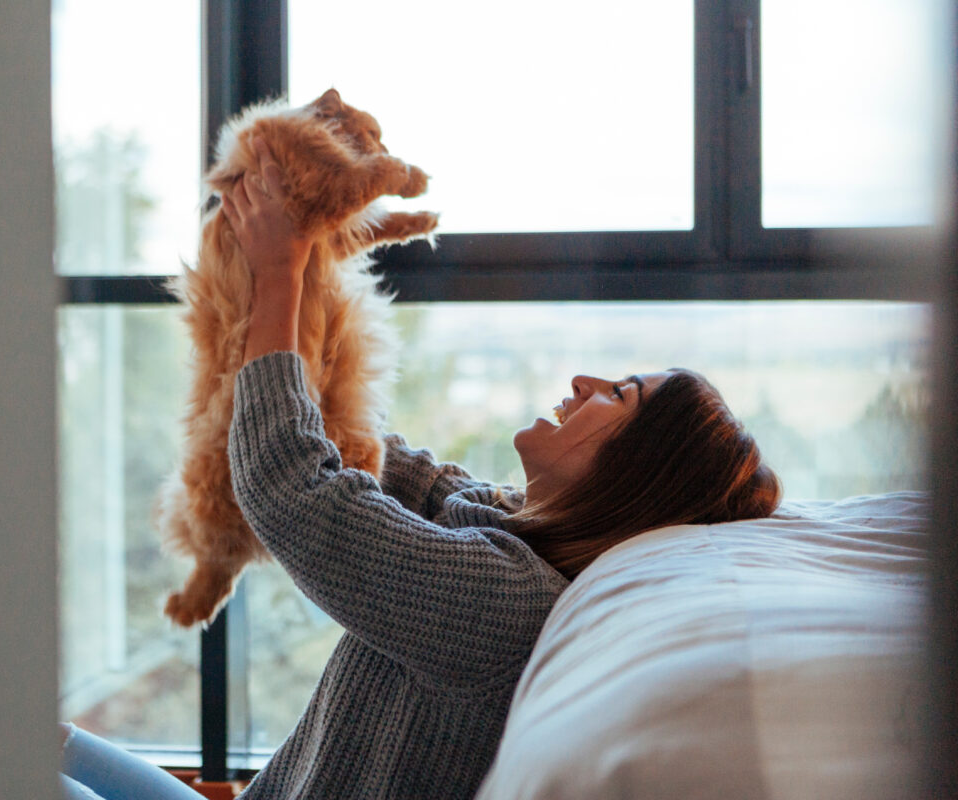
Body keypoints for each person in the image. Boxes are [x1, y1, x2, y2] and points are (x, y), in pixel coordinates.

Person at [59, 139, 782, 800]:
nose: (585, 382)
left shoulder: (506, 599)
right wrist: (305, 262)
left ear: (637, 471)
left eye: (619, 396)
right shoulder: (498, 519)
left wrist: (278, 278)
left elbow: (292, 488)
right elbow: (357, 449)